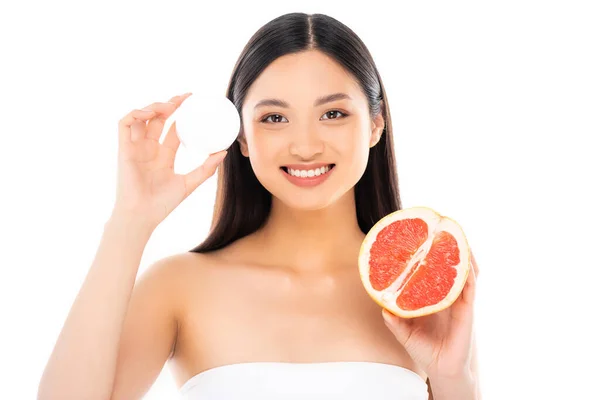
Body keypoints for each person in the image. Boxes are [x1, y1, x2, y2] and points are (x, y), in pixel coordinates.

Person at [38, 12, 481, 400]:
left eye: (333, 114)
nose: (305, 146)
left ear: (375, 125)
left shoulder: (416, 285)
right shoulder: (179, 286)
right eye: (274, 118)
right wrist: (130, 220)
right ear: (242, 137)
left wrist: (450, 377)